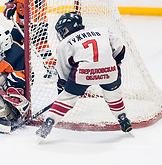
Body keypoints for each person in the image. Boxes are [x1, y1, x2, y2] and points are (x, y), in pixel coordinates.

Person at [36, 12, 132, 140]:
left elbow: (63, 71)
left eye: (62, 31)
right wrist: (114, 62)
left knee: (67, 98)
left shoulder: (64, 44)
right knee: (113, 95)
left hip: (83, 74)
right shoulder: (103, 31)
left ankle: (49, 122)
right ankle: (122, 118)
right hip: (110, 71)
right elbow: (120, 47)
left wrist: (64, 89)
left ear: (67, 29)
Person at [3, 0, 56, 78]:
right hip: (19, 26)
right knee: (12, 45)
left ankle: (52, 68)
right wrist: (9, 8)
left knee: (42, 47)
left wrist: (32, 29)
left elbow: (39, 13)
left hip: (38, 25)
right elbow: (9, 1)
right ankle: (13, 66)